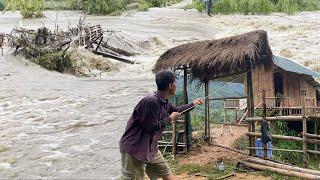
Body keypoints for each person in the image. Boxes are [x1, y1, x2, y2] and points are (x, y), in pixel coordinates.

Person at [120, 70, 203, 180]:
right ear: (170, 85)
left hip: (151, 149)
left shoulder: (164, 102)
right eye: (175, 83)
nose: (176, 86)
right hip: (135, 149)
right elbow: (150, 126)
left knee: (168, 175)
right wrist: (170, 119)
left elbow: (178, 110)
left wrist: (193, 103)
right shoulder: (150, 101)